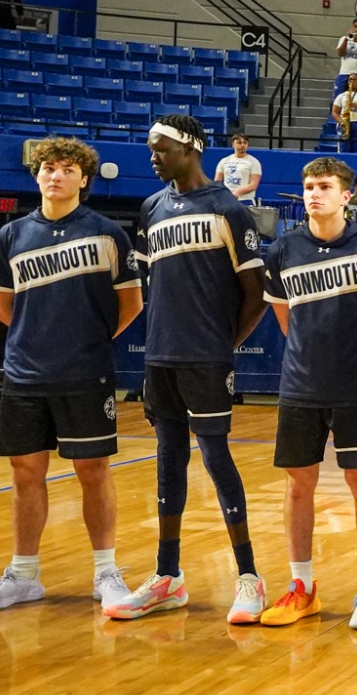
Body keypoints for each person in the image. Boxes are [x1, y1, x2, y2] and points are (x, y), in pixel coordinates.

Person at [100, 117, 267, 623]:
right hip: (160, 356)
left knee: (216, 459)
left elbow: (256, 295)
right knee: (167, 460)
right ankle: (167, 576)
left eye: (161, 148)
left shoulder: (227, 208)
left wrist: (222, 345)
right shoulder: (150, 208)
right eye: (150, 148)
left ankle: (249, 578)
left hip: (207, 357)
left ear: (191, 148)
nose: (152, 156)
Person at [0, 137, 142, 616]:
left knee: (93, 470)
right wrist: (31, 338)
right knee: (25, 472)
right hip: (24, 374)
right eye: (47, 167)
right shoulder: (13, 234)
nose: (55, 174)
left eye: (66, 168)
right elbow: (2, 304)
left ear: (84, 178)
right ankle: (23, 575)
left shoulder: (109, 234)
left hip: (86, 372)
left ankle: (106, 571)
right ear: (36, 175)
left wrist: (90, 339)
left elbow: (130, 304)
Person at [257, 157, 357, 629]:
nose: (314, 194)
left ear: (345, 196)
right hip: (299, 388)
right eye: (309, 186)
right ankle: (301, 587)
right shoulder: (282, 251)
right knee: (299, 486)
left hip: (355, 389)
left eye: (324, 186)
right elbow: (286, 320)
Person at [212, 134, 263, 204]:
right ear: (233, 144)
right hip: (226, 199)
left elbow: (254, 185)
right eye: (239, 142)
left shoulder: (254, 162)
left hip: (245, 200)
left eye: (245, 143)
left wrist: (238, 192)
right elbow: (217, 182)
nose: (242, 145)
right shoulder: (224, 161)